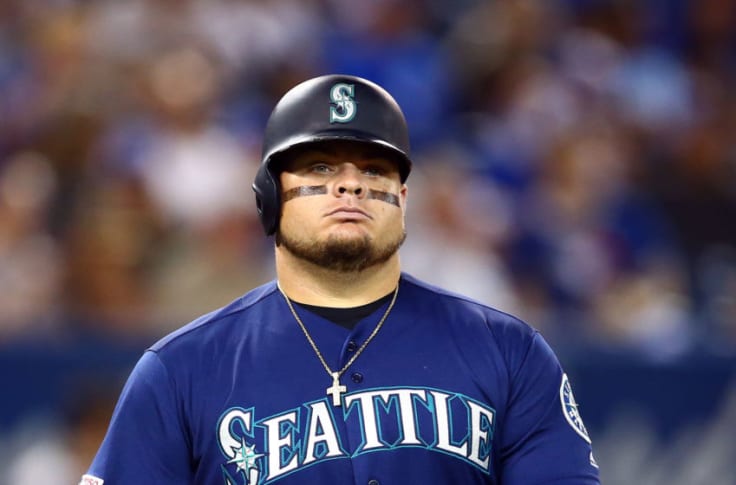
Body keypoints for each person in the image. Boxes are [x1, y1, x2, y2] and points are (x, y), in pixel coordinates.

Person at [82, 74, 600, 485]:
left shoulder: (509, 352)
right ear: (269, 197)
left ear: (403, 200)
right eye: (321, 167)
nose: (350, 185)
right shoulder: (180, 370)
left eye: (374, 170)